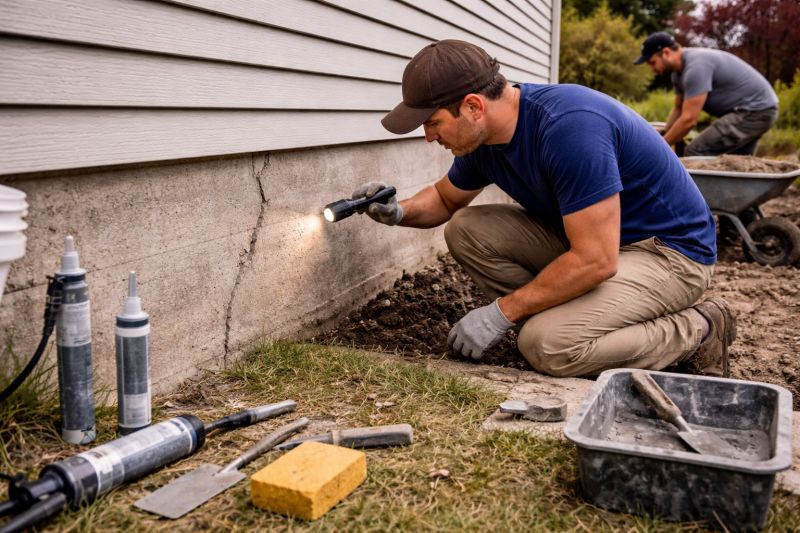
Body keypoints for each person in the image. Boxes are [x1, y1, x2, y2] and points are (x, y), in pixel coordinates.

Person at [354, 39, 736, 378]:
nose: (429, 137)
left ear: (472, 107)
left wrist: (502, 312)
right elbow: (445, 200)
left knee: (548, 346)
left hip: (669, 254)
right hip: (598, 242)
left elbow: (597, 260)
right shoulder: (484, 140)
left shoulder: (570, 129)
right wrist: (398, 211)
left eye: (433, 122)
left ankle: (700, 328)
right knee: (465, 228)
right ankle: (564, 317)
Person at [635, 32, 778, 156]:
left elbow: (689, 120)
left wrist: (659, 147)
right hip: (751, 110)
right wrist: (665, 132)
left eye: (652, 62)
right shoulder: (677, 74)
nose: (651, 69)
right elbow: (679, 109)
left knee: (695, 151)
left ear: (666, 53)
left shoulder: (696, 67)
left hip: (756, 110)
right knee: (735, 161)